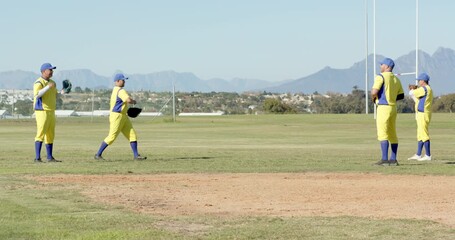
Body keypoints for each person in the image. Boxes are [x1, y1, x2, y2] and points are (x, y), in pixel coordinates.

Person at [94, 73, 147, 160]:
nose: (124, 82)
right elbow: (128, 100)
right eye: (123, 80)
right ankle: (98, 154)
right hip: (117, 116)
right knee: (112, 137)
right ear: (117, 81)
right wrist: (134, 101)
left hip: (123, 116)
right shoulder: (120, 90)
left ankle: (136, 155)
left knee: (132, 135)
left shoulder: (115, 90)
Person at [371, 58, 404, 166]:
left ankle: (384, 159)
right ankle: (393, 159)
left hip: (383, 107)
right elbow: (401, 95)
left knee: (382, 133)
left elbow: (374, 91)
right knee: (392, 133)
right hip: (393, 108)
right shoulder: (396, 79)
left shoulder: (380, 77)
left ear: (387, 66)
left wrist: (374, 97)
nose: (381, 66)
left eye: (382, 65)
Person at [33, 63, 61, 162]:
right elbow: (37, 95)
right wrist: (48, 87)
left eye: (52, 70)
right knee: (40, 133)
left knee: (50, 134)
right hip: (42, 110)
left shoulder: (52, 82)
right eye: (50, 70)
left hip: (51, 110)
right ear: (43, 71)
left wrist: (63, 92)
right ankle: (37, 158)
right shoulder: (39, 82)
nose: (52, 72)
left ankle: (49, 157)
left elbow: (55, 94)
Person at [407, 73, 433, 161]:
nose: (418, 82)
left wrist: (412, 89)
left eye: (419, 80)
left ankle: (428, 155)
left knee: (424, 134)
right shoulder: (426, 89)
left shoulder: (425, 88)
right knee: (420, 134)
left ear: (423, 81)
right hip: (421, 113)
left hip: (423, 113)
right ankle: (418, 154)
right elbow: (416, 97)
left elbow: (412, 93)